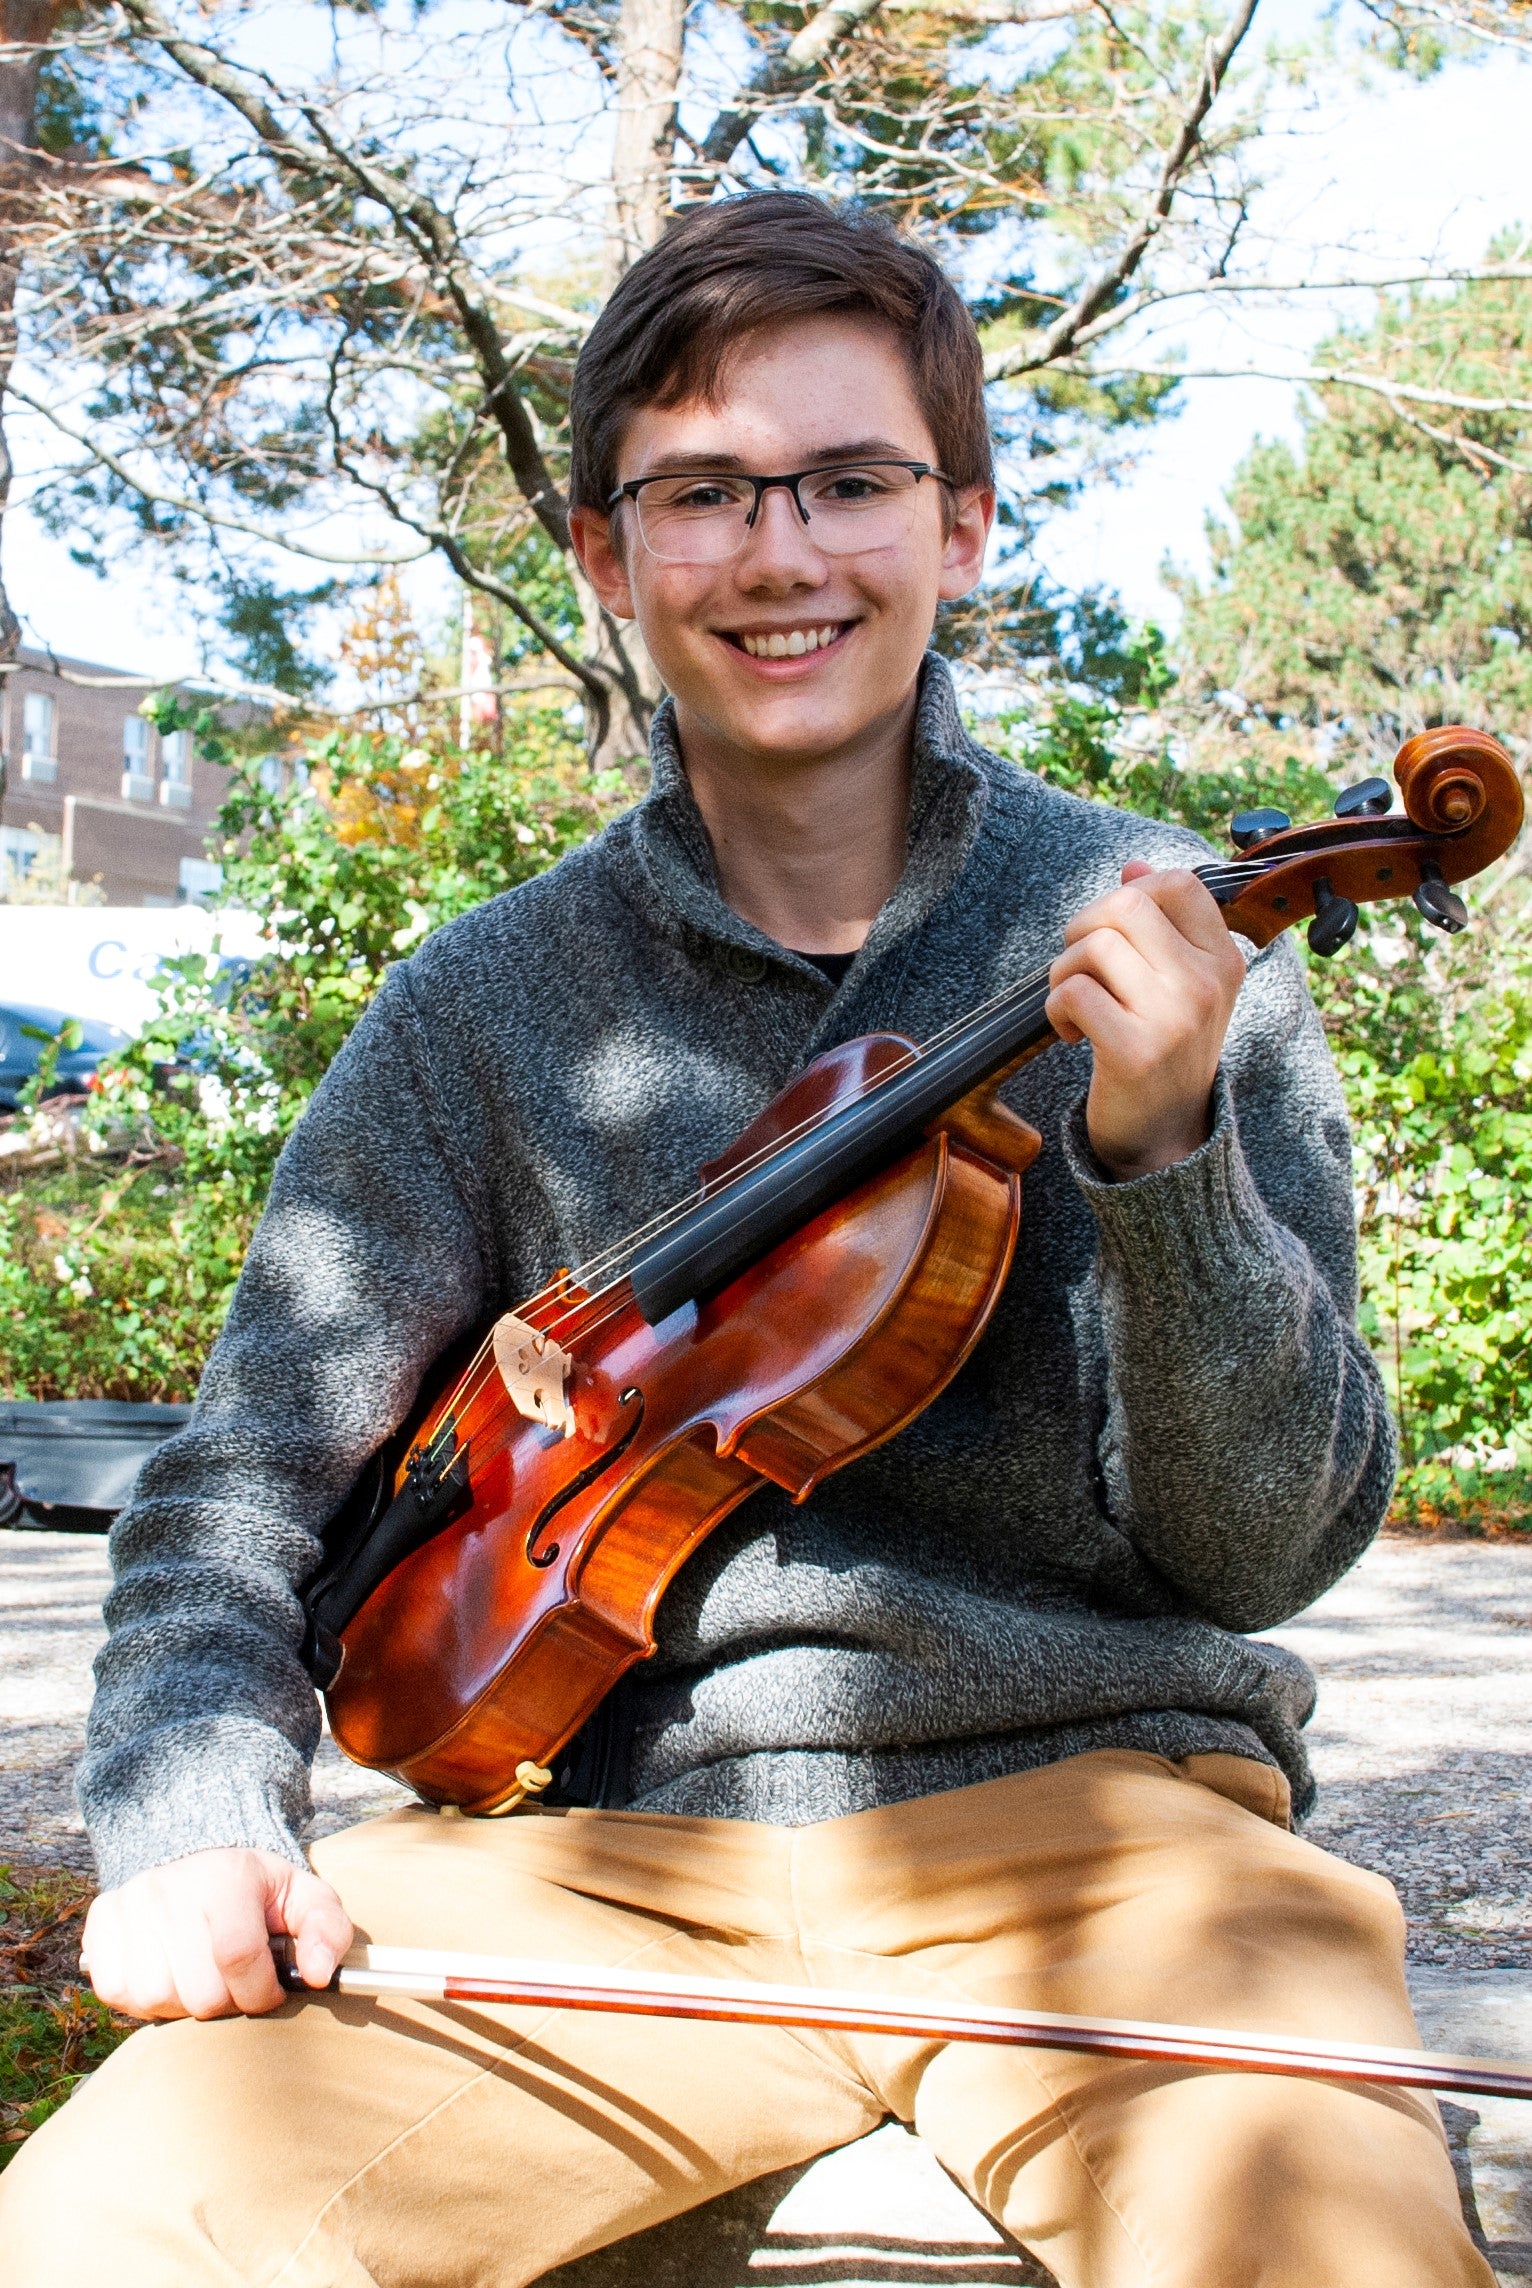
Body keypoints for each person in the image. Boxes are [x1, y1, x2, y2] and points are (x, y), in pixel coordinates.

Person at [0, 192, 1489, 2288]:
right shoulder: (484, 1003)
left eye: (849, 481)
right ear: (605, 555)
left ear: (962, 526)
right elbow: (237, 1493)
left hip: (1106, 1830)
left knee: (1320, 2250)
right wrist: (187, 1822)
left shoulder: (1170, 931)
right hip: (586, 1864)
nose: (779, 553)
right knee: (103, 2231)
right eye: (699, 494)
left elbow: (1263, 1549)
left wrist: (1161, 1161)